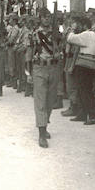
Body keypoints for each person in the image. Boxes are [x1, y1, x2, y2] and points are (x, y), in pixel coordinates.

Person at [28, 8, 61, 148]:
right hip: (39, 68)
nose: (47, 19)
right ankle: (41, 134)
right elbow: (29, 54)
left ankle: (45, 125)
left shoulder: (57, 34)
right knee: (40, 101)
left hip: (53, 68)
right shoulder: (34, 34)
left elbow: (61, 49)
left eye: (49, 17)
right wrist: (28, 73)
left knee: (50, 100)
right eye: (44, 17)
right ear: (40, 18)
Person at [67, 15, 95, 124]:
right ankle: (83, 114)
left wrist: (72, 29)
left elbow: (70, 38)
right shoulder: (92, 34)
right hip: (87, 65)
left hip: (84, 65)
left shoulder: (87, 34)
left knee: (85, 91)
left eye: (79, 25)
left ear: (84, 25)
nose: (78, 27)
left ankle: (93, 116)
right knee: (83, 91)